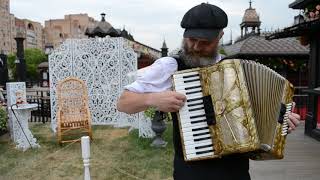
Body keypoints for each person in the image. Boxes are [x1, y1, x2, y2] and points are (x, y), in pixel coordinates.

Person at [117, 3, 301, 180]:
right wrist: (154, 99)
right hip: (193, 174)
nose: (196, 47)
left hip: (236, 173)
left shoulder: (235, 71)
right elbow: (124, 103)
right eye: (191, 40)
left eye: (205, 42)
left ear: (220, 36)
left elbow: (259, 122)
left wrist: (281, 122)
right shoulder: (170, 65)